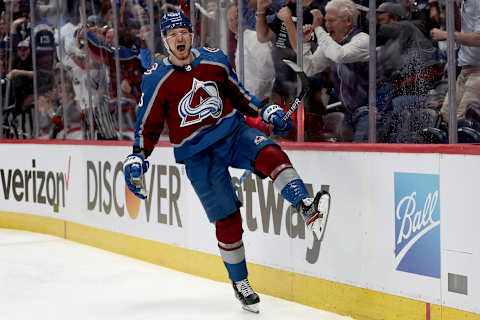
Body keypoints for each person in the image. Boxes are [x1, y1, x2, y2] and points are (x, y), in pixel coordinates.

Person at [123, 11, 331, 313]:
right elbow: (148, 126)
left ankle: (307, 209)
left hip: (231, 131)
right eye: (173, 34)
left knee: (271, 154)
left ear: (191, 34)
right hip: (198, 155)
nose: (180, 38)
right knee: (228, 219)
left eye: (184, 31)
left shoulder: (214, 59)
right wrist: (138, 155)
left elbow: (240, 95)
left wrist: (265, 110)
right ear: (165, 40)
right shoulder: (157, 78)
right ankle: (240, 282)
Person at [301, 0, 369, 142]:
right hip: (349, 113)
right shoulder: (332, 44)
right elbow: (309, 69)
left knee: (361, 156)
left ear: (349, 21)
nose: (327, 25)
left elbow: (339, 55)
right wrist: (305, 44)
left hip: (371, 112)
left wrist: (318, 29)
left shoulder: (363, 40)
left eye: (331, 21)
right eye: (325, 21)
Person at [430, 0, 480, 124]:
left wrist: (447, 35)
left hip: (478, 73)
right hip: (465, 70)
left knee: (463, 123)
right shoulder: (463, 3)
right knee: (444, 119)